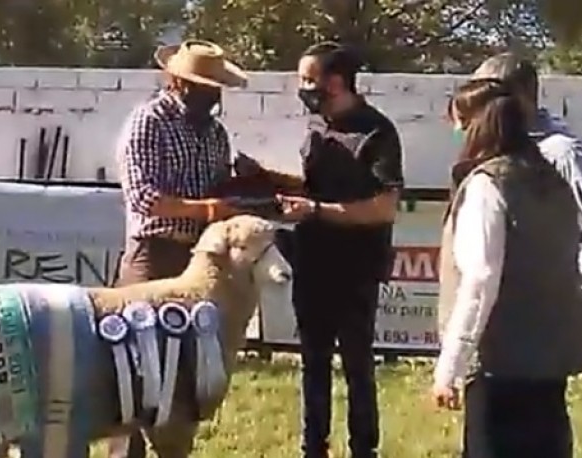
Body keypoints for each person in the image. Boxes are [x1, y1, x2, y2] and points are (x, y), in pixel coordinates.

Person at [238, 42, 404, 458]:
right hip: (311, 261)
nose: (302, 89)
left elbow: (384, 207)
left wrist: (317, 210)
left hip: (356, 270)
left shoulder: (377, 133)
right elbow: (311, 189)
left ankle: (363, 449)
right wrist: (265, 178)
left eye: (307, 80)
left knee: (357, 366)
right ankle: (314, 447)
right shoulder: (318, 129)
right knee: (313, 364)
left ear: (334, 82)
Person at [432, 78, 582, 458]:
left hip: (499, 364)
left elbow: (480, 280)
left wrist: (449, 368)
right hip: (549, 357)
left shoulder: (488, 184)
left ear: (477, 124)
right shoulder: (552, 180)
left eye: (461, 124)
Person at [109, 39, 247, 458]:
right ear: (177, 82)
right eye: (205, 85)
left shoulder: (217, 133)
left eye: (216, 87)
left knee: (184, 365)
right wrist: (207, 208)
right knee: (134, 364)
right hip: (155, 252)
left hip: (199, 261)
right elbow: (144, 197)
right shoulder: (147, 122)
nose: (213, 94)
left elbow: (221, 183)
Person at [470, 53, 582, 288]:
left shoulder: (559, 150)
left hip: (540, 309)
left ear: (519, 98)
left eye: (488, 98)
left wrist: (571, 275)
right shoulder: (495, 147)